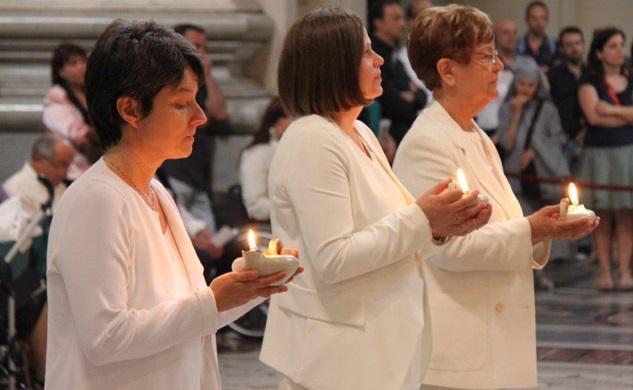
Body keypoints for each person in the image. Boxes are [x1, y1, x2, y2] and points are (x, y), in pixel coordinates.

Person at [45, 20, 299, 389]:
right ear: (130, 110)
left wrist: (249, 286)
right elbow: (105, 337)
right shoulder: (96, 200)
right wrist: (212, 300)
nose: (200, 116)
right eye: (181, 103)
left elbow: (186, 318)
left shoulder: (156, 191)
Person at [259, 8, 491, 389]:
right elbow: (334, 258)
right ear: (332, 65)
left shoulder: (360, 134)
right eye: (366, 52)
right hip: (338, 356)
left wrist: (442, 225)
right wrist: (423, 219)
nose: (380, 59)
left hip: (377, 344)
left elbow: (390, 230)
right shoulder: (312, 140)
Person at [392, 5, 597, 389]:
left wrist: (539, 229)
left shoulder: (476, 135)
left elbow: (499, 224)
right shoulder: (426, 144)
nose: (500, 67)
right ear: (448, 70)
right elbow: (446, 248)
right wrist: (532, 229)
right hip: (461, 350)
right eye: (486, 56)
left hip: (494, 332)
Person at [161, 23, 231, 236]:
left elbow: (219, 115)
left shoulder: (198, 83)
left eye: (203, 48)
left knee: (209, 239)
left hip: (198, 174)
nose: (201, 53)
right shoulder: (166, 82)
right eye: (195, 46)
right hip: (173, 172)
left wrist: (207, 75)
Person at [578, 27, 633, 291]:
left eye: (621, 44)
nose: (619, 50)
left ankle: (624, 270)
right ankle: (603, 270)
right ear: (599, 52)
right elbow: (593, 117)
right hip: (598, 153)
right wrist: (626, 114)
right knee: (601, 215)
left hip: (627, 152)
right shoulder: (589, 81)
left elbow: (604, 113)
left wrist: (611, 109)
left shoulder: (631, 79)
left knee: (626, 215)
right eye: (612, 45)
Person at [498, 58, 570, 211]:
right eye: (522, 84)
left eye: (531, 85)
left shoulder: (548, 109)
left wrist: (534, 151)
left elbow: (558, 138)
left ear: (537, 87)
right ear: (515, 84)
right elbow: (507, 144)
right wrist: (517, 113)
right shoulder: (506, 109)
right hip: (516, 176)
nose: (526, 89)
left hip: (545, 175)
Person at [368, 0, 427, 145]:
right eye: (396, 18)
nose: (402, 24)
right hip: (387, 135)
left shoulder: (395, 53)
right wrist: (409, 97)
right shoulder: (373, 55)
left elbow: (422, 95)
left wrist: (411, 96)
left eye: (402, 18)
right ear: (378, 23)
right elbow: (390, 102)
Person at [43, 43, 101, 180]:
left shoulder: (93, 94)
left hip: (98, 164)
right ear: (60, 71)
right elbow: (76, 135)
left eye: (83, 61)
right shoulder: (55, 102)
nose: (81, 67)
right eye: (73, 63)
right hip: (74, 171)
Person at [239, 97, 292, 222]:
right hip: (269, 228)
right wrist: (294, 210)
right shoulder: (258, 154)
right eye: (293, 118)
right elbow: (255, 205)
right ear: (279, 123)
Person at [3, 133, 73, 216]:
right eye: (61, 165)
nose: (65, 175)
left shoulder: (62, 188)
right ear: (39, 160)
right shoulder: (15, 188)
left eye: (67, 167)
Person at [548, 26, 588, 167]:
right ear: (562, 48)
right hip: (561, 139)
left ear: (583, 45)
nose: (574, 48)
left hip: (587, 138)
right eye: (569, 45)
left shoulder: (592, 74)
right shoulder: (553, 75)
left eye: (577, 43)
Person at [476, 18, 520, 139]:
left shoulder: (524, 64)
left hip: (513, 131)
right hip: (486, 128)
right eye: (506, 32)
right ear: (494, 36)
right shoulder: (484, 64)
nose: (511, 37)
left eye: (514, 32)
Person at [517, 1, 558, 72]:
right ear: (527, 20)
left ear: (547, 20)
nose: (539, 23)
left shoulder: (555, 45)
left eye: (543, 18)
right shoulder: (517, 46)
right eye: (534, 18)